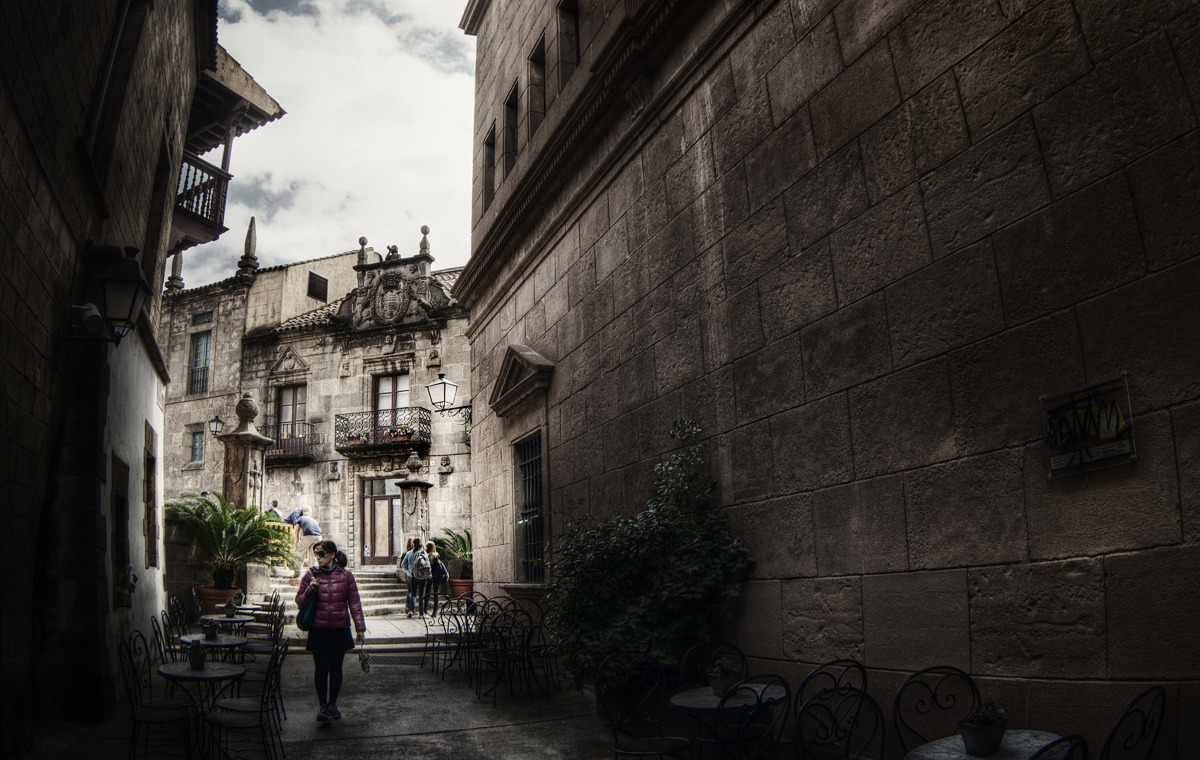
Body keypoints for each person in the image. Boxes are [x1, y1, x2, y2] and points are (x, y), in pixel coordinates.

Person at [295, 540, 366, 721]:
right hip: (318, 630)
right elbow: (299, 601)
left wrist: (360, 628)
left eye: (321, 553)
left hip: (338, 629)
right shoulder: (311, 575)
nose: (318, 557)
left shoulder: (346, 576)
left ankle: (333, 704)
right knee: (320, 669)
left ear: (332, 555)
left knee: (336, 669)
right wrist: (311, 588)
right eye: (316, 553)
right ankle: (322, 706)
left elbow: (354, 602)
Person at [424, 541, 449, 616]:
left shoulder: (428, 556)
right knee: (435, 593)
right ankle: (435, 611)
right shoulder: (436, 556)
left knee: (427, 592)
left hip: (430, 576)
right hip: (437, 576)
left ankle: (425, 609)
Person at [411, 540, 432, 617]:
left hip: (414, 575)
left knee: (413, 594)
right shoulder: (423, 553)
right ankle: (421, 613)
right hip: (422, 576)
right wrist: (429, 573)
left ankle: (411, 610)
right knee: (421, 595)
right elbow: (427, 564)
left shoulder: (411, 553)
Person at [399, 538, 418, 618]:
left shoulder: (405, 553)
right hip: (414, 575)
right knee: (413, 592)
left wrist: (407, 573)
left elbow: (402, 565)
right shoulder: (414, 553)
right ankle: (411, 609)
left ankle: (407, 607)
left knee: (410, 591)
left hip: (408, 575)